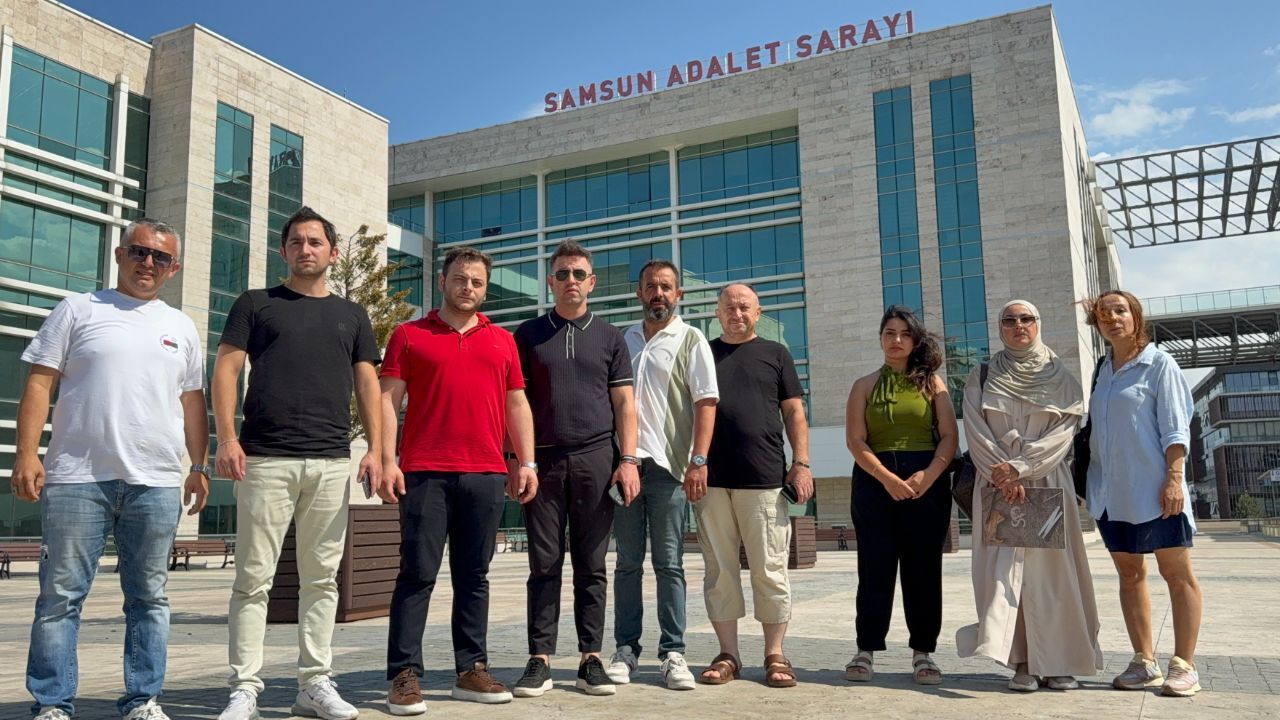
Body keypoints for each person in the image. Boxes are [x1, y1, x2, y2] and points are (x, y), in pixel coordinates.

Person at [13, 219, 208, 720]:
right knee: (60, 597)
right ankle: (52, 703)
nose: (148, 263)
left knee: (150, 598)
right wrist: (27, 453)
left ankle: (143, 699)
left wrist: (199, 465)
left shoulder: (181, 326)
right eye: (139, 252)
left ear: (174, 268)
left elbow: (192, 403)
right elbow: (39, 383)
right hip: (77, 478)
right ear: (120, 254)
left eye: (160, 257)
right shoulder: (78, 309)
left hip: (156, 482)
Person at [213, 207, 383, 720]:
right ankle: (245, 688)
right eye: (295, 242)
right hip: (264, 460)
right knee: (252, 580)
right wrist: (226, 438)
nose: (305, 249)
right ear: (283, 250)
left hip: (330, 462)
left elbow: (367, 384)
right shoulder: (255, 304)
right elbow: (226, 370)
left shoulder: (352, 314)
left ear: (333, 252)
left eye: (315, 242)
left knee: (322, 580)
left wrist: (376, 450)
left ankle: (313, 684)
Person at [379, 246, 538, 713]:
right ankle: (404, 674)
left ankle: (471, 669)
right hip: (424, 471)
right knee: (417, 574)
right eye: (460, 279)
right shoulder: (409, 335)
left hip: (485, 473)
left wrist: (526, 462)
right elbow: (388, 400)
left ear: (485, 289)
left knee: (474, 576)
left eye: (476, 282)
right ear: (442, 281)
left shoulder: (503, 341)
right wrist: (386, 459)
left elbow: (516, 404)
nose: (468, 287)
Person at [510, 240, 639, 698]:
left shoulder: (611, 337)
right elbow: (515, 402)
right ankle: (540, 659)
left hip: (597, 459)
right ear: (550, 281)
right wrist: (517, 459)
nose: (571, 281)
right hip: (542, 462)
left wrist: (628, 460)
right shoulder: (527, 335)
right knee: (543, 563)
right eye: (562, 274)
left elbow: (624, 404)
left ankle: (590, 659)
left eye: (578, 274)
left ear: (592, 282)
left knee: (592, 564)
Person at [956, 300, 1103, 691]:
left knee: (1053, 576)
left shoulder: (1061, 376)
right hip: (997, 486)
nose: (1018, 325)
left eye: (1026, 319)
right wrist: (1002, 471)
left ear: (1038, 324)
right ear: (1000, 327)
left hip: (1046, 482)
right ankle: (1021, 661)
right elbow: (975, 428)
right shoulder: (982, 375)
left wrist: (1021, 467)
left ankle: (1058, 662)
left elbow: (1063, 434)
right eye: (1009, 320)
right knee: (1004, 576)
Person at [606, 259, 719, 691]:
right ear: (639, 293)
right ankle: (626, 650)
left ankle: (673, 652)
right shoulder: (624, 339)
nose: (658, 294)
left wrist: (698, 460)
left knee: (669, 563)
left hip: (670, 468)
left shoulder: (691, 340)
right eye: (651, 286)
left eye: (666, 287)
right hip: (627, 467)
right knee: (627, 563)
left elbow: (705, 403)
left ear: (678, 294)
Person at [1084, 290, 1202, 697]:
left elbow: (1176, 428)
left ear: (1136, 316)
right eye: (1104, 314)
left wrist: (1174, 478)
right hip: (1111, 494)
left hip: (1155, 490)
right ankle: (1144, 662)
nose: (1112, 318)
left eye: (1120, 311)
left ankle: (1184, 665)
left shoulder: (1159, 364)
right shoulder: (1103, 370)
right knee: (1130, 575)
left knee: (1177, 575)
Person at [694, 284, 813, 689]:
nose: (737, 313)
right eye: (729, 307)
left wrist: (801, 464)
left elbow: (794, 412)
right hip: (711, 481)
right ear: (717, 313)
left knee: (770, 569)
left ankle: (775, 653)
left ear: (758, 312)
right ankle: (728, 654)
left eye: (744, 307)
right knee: (719, 571)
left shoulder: (776, 354)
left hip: (764, 479)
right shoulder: (703, 354)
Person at [843, 305, 957, 685]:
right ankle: (865, 649)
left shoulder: (934, 384)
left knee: (923, 569)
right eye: (889, 333)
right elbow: (855, 441)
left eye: (905, 334)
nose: (896, 340)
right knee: (873, 567)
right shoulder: (863, 385)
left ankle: (923, 653)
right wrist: (886, 478)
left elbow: (949, 437)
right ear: (880, 338)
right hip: (875, 481)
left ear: (915, 340)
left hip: (927, 480)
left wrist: (930, 474)